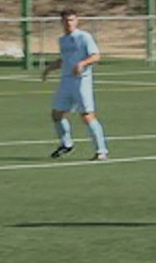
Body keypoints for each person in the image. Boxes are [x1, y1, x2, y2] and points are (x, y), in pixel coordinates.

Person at [42, 9, 109, 161]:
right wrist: (49, 69)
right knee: (57, 114)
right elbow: (64, 60)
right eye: (66, 20)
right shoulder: (62, 40)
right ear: (61, 22)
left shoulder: (84, 37)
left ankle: (101, 151)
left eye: (71, 20)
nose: (69, 23)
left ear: (77, 21)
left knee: (86, 115)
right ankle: (66, 144)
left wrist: (82, 63)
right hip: (66, 81)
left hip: (81, 81)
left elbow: (96, 56)